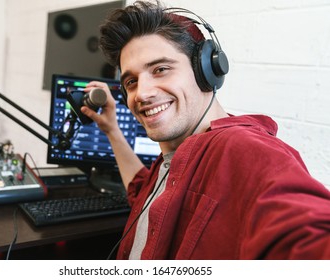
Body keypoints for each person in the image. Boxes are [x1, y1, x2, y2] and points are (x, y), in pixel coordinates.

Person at [80, 0, 330, 259]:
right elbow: (143, 192)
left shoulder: (245, 150)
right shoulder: (173, 160)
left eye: (161, 69)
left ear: (206, 70)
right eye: (132, 81)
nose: (141, 93)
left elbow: (310, 239)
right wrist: (111, 130)